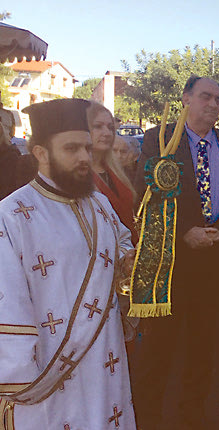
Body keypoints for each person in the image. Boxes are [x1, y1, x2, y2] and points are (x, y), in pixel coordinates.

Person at [0, 98, 136, 429]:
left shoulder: (98, 201)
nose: (85, 158)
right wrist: (19, 374)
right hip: (48, 367)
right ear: (41, 154)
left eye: (88, 148)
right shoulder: (11, 215)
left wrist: (130, 262)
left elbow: (119, 242)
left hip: (104, 355)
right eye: (71, 148)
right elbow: (7, 301)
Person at [132, 75, 219, 429]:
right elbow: (148, 192)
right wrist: (185, 232)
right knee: (159, 348)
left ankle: (191, 415)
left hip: (214, 260)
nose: (213, 105)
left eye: (218, 99)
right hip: (172, 260)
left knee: (203, 347)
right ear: (186, 98)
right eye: (205, 97)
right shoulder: (161, 137)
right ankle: (148, 417)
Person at [88, 102, 137, 242]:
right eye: (98, 126)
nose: (107, 133)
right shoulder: (76, 175)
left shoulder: (117, 170)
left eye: (110, 128)